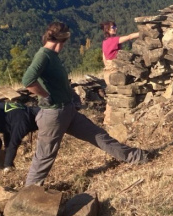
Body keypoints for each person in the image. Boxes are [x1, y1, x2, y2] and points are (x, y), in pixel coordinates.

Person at [22, 22, 147, 185]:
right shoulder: (43, 55)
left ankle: (138, 157)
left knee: (100, 136)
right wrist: (45, 95)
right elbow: (27, 80)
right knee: (45, 157)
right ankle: (28, 196)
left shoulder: (52, 56)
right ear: (62, 39)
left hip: (67, 111)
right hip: (53, 114)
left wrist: (72, 97)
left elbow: (59, 83)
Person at [101, 21, 140, 125]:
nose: (115, 28)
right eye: (113, 27)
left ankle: (107, 118)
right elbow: (130, 37)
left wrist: (107, 66)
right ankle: (110, 120)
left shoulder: (105, 42)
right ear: (108, 30)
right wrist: (143, 32)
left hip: (107, 70)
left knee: (110, 94)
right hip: (114, 69)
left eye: (115, 26)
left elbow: (104, 57)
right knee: (116, 95)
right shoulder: (114, 40)